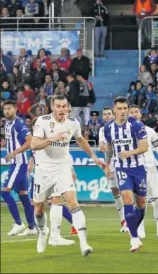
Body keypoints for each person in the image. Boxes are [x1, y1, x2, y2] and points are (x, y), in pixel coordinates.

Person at [30, 94, 106, 256]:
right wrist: (52, 139)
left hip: (63, 167)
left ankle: (84, 243)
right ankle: (43, 232)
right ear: (52, 107)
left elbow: (80, 140)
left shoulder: (73, 122)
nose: (62, 109)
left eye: (64, 106)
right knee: (38, 210)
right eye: (58, 106)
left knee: (72, 201)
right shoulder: (42, 121)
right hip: (43, 169)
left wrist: (94, 157)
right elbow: (34, 144)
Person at [104, 97, 149, 252]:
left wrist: (130, 152)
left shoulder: (136, 125)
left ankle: (133, 230)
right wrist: (107, 163)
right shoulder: (108, 128)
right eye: (120, 109)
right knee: (127, 199)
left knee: (141, 204)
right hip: (121, 168)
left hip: (138, 168)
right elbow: (110, 147)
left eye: (125, 109)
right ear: (114, 110)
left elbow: (145, 147)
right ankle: (134, 238)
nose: (123, 112)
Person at [129, 105, 158, 240]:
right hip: (137, 171)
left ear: (141, 114)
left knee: (157, 201)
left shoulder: (150, 131)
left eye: (136, 112)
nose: (135, 114)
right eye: (132, 112)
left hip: (151, 170)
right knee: (140, 203)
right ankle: (140, 229)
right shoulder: (126, 132)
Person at [1, 100, 36, 236]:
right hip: (15, 163)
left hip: (19, 163)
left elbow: (30, 140)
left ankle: (18, 223)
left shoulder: (18, 123)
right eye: (5, 109)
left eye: (9, 108)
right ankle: (32, 227)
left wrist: (14, 153)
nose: (7, 111)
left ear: (15, 109)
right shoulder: (7, 123)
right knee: (23, 196)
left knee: (4, 192)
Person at [98, 107, 127, 232]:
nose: (106, 116)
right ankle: (123, 220)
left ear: (113, 114)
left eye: (109, 114)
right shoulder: (102, 130)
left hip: (123, 163)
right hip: (110, 165)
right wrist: (102, 148)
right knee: (115, 191)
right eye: (104, 114)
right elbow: (102, 146)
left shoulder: (121, 127)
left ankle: (129, 219)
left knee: (126, 191)